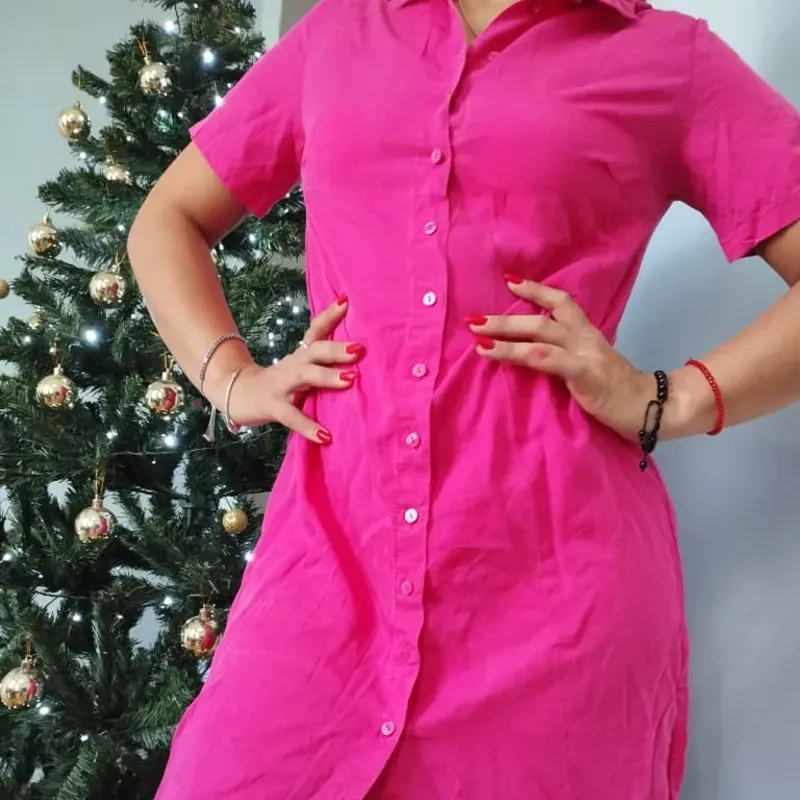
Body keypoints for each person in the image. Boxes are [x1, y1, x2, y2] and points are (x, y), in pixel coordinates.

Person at [128, 0, 800, 796]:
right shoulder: (342, 33)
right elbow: (168, 217)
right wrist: (232, 379)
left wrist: (670, 398)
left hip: (555, 594)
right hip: (327, 565)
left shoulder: (662, 57)